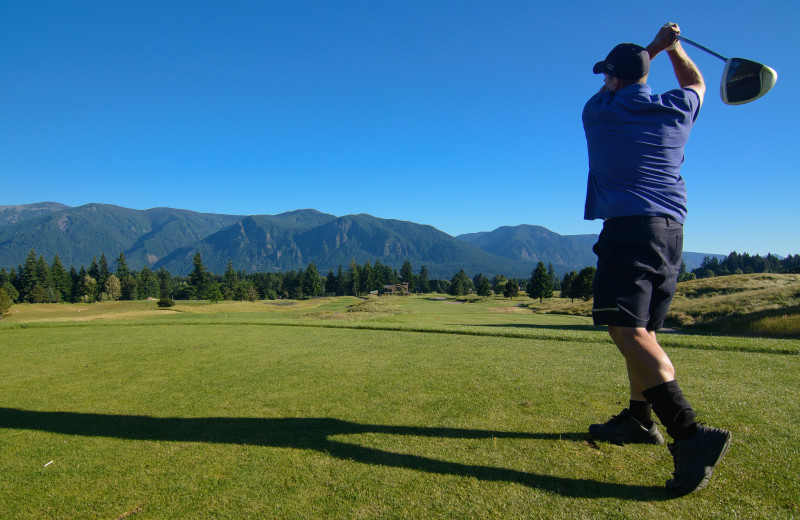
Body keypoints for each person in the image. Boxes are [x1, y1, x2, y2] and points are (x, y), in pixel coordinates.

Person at [582, 23, 731, 496]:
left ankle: (689, 434)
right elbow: (697, 85)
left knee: (626, 332)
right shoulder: (677, 110)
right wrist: (674, 48)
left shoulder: (598, 112)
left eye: (607, 75)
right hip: (671, 232)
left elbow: (619, 80)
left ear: (611, 78)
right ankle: (639, 418)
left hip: (629, 229)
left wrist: (652, 46)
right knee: (641, 332)